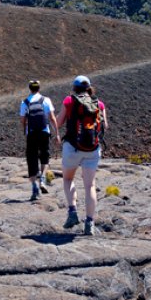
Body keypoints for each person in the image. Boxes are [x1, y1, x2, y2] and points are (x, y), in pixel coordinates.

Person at [55, 75, 107, 235]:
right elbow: (105, 125)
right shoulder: (99, 104)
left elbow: (59, 122)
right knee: (90, 185)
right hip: (92, 149)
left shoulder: (69, 101)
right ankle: (89, 223)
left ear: (74, 88)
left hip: (72, 147)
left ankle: (72, 212)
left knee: (68, 178)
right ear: (89, 88)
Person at [19, 80, 59, 201]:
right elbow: (52, 118)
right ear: (39, 88)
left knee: (31, 159)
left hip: (31, 133)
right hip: (44, 132)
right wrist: (57, 133)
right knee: (44, 156)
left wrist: (25, 130)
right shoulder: (46, 100)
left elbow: (22, 120)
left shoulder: (25, 102)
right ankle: (42, 180)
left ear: (30, 89)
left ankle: (34, 187)